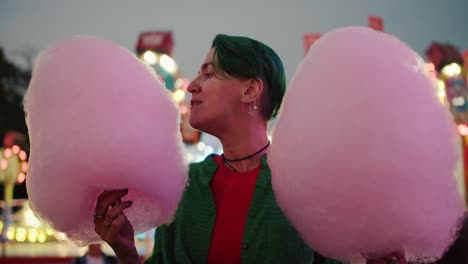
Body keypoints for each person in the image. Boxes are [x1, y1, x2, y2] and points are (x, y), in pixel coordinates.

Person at [93, 34, 405, 264]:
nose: (192, 85)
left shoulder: (310, 185)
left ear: (250, 89)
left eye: (209, 73)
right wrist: (125, 249)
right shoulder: (185, 186)